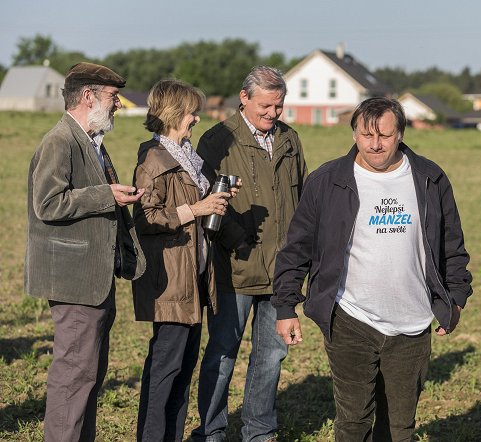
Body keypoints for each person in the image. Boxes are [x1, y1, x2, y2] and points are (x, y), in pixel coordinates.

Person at [272, 97, 473, 441]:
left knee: (399, 427)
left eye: (384, 135)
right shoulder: (328, 180)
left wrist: (455, 298)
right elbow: (298, 245)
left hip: (412, 323)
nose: (375, 144)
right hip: (350, 318)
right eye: (366, 135)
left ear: (401, 134)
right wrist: (285, 305)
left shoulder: (429, 177)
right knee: (354, 421)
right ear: (354, 134)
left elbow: (451, 245)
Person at [24, 62, 146, 441]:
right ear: (88, 96)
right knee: (73, 378)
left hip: (93, 279)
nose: (118, 106)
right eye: (113, 98)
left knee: (88, 376)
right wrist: (106, 194)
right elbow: (48, 203)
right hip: (75, 282)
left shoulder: (91, 141)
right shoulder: (60, 140)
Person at [193, 66, 308, 442]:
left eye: (279, 106)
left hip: (282, 272)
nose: (273, 113)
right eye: (266, 106)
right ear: (244, 98)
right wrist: (238, 239)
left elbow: (302, 199)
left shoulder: (290, 140)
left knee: (271, 356)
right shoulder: (216, 140)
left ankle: (259, 431)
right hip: (235, 268)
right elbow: (203, 200)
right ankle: (211, 431)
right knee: (222, 354)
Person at [131, 79, 236, 441]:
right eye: (192, 111)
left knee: (183, 368)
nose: (197, 117)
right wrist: (196, 208)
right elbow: (145, 218)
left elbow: (196, 206)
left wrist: (219, 196)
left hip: (195, 278)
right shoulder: (153, 160)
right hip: (171, 282)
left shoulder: (188, 157)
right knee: (164, 369)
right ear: (174, 113)